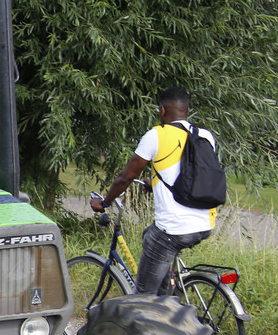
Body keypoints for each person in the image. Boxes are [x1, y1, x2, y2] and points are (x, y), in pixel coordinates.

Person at [89, 86, 217, 294]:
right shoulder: (205, 136)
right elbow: (190, 174)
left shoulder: (157, 135)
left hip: (174, 229)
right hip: (205, 224)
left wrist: (104, 202)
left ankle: (152, 302)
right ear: (187, 110)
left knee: (143, 295)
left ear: (162, 110)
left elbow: (125, 177)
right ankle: (165, 296)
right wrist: (154, 183)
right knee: (150, 234)